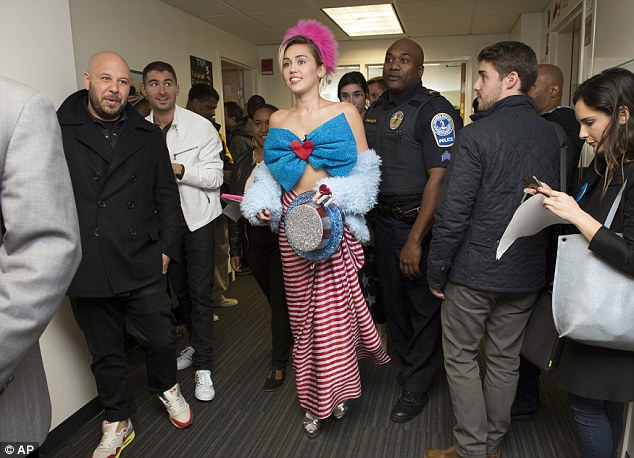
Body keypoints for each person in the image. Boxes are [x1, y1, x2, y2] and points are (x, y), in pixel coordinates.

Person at [241, 19, 390, 439]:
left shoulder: (345, 114)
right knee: (303, 319)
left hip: (333, 222)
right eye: (287, 62)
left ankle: (332, 394)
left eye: (301, 60)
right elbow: (270, 176)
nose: (292, 68)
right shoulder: (279, 120)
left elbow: (366, 176)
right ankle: (313, 396)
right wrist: (264, 206)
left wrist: (336, 194)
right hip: (292, 226)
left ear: (321, 68)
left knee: (333, 320)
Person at [424, 42, 560, 458]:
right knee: (504, 359)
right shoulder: (552, 135)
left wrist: (436, 271)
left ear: (511, 79)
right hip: (524, 271)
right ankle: (493, 446)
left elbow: (452, 213)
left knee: (462, 358)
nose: (477, 85)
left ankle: (470, 449)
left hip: (474, 271)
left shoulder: (475, 134)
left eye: (483, 75)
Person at [57, 51, 191, 458]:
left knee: (161, 336)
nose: (114, 89)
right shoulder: (58, 129)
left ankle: (167, 386)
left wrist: (167, 248)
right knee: (104, 348)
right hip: (87, 258)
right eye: (105, 79)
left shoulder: (148, 135)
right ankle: (117, 418)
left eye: (121, 82)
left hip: (141, 254)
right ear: (87, 80)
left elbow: (166, 196)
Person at [530, 67, 634, 458]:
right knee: (605, 401)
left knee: (590, 404)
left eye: (590, 122)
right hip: (595, 309)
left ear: (622, 115)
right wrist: (558, 202)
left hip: (612, 312)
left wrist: (577, 216)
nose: (582, 135)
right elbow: (592, 222)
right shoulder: (605, 166)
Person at [364, 38, 462, 424]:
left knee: (423, 307)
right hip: (383, 224)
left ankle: (417, 385)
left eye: (405, 60)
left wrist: (416, 241)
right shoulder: (375, 110)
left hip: (420, 224)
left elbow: (440, 178)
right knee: (395, 304)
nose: (394, 65)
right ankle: (411, 367)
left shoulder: (434, 110)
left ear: (419, 70)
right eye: (390, 58)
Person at [0, 76, 81, 451]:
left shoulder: (16, 106)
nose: (114, 88)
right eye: (104, 78)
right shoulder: (69, 120)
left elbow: (45, 250)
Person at [142, 61, 224, 401]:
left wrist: (176, 168)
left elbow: (215, 178)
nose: (161, 90)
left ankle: (204, 366)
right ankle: (194, 343)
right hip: (165, 226)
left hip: (199, 220)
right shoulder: (138, 130)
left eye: (167, 83)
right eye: (154, 83)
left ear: (177, 89)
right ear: (144, 90)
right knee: (183, 294)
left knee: (201, 292)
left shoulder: (200, 127)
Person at [512, 63, 584, 419]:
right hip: (546, 233)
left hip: (556, 237)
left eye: (534, 84)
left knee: (536, 315)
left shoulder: (565, 126)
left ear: (553, 90)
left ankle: (525, 394)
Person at [228, 103, 293, 392]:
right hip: (254, 241)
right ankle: (294, 336)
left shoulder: (287, 159)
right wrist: (235, 248)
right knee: (274, 300)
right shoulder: (242, 161)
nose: (264, 129)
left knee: (279, 303)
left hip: (282, 240)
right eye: (258, 123)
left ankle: (278, 363)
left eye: (269, 123)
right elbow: (232, 207)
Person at [185, 83, 238, 311]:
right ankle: (202, 305)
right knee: (199, 259)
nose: (212, 112)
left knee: (220, 247)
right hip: (193, 206)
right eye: (209, 107)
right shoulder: (182, 130)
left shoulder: (212, 129)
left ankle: (216, 295)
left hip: (218, 200)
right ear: (194, 103)